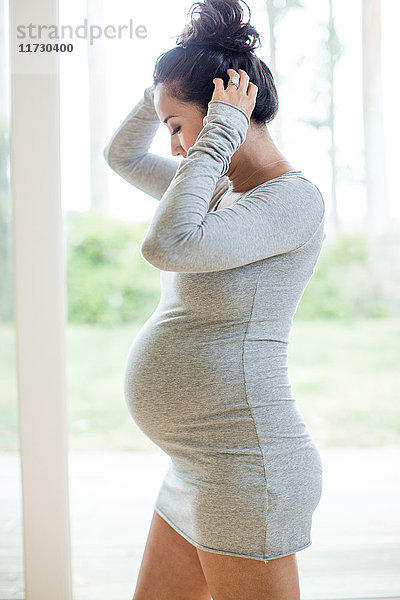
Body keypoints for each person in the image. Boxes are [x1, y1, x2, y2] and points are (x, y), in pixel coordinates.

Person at [103, 1, 326, 598]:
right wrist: (163, 89)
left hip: (246, 469)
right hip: (195, 466)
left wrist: (220, 127)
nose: (176, 148)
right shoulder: (213, 189)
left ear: (230, 112)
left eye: (179, 127)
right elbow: (120, 157)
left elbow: (169, 243)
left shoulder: (294, 204)